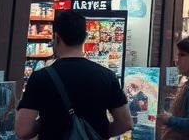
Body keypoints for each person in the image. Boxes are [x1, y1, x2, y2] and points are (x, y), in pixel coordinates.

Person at [16, 10, 132, 140]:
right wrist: (97, 133)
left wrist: (45, 122)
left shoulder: (40, 78)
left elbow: (23, 131)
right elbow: (125, 123)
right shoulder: (107, 76)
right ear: (85, 37)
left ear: (57, 38)